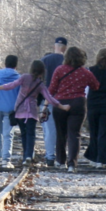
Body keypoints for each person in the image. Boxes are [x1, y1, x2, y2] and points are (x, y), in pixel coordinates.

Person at [0, 61, 71, 164]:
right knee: (30, 135)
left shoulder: (24, 77)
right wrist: (62, 106)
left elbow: (12, 85)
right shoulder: (40, 84)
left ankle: (25, 157)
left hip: (19, 111)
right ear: (42, 72)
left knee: (24, 134)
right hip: (31, 112)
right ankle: (28, 156)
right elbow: (49, 98)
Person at [48, 46, 100, 173]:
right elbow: (95, 86)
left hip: (60, 104)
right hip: (78, 103)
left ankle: (60, 161)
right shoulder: (85, 72)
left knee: (61, 134)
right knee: (74, 134)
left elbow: (51, 89)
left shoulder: (59, 70)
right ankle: (72, 164)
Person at [84, 49, 106, 168]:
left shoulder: (90, 70)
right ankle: (101, 160)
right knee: (103, 133)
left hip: (93, 105)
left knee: (93, 133)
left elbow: (86, 91)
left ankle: (93, 158)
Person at [40, 37, 68, 167]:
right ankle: (62, 156)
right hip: (65, 99)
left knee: (50, 130)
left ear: (54, 46)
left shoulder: (44, 61)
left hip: (48, 99)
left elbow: (38, 81)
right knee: (64, 129)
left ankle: (50, 156)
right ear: (65, 48)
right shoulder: (69, 62)